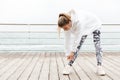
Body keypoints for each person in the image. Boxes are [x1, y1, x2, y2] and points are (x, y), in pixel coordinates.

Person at [57, 9, 106, 76]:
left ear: (69, 22)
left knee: (97, 46)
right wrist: (68, 53)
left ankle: (99, 67)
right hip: (85, 26)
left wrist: (72, 51)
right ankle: (69, 66)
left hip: (94, 24)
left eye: (65, 28)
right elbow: (67, 40)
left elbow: (77, 39)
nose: (64, 29)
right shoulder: (66, 24)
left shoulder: (79, 22)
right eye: (63, 28)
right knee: (75, 49)